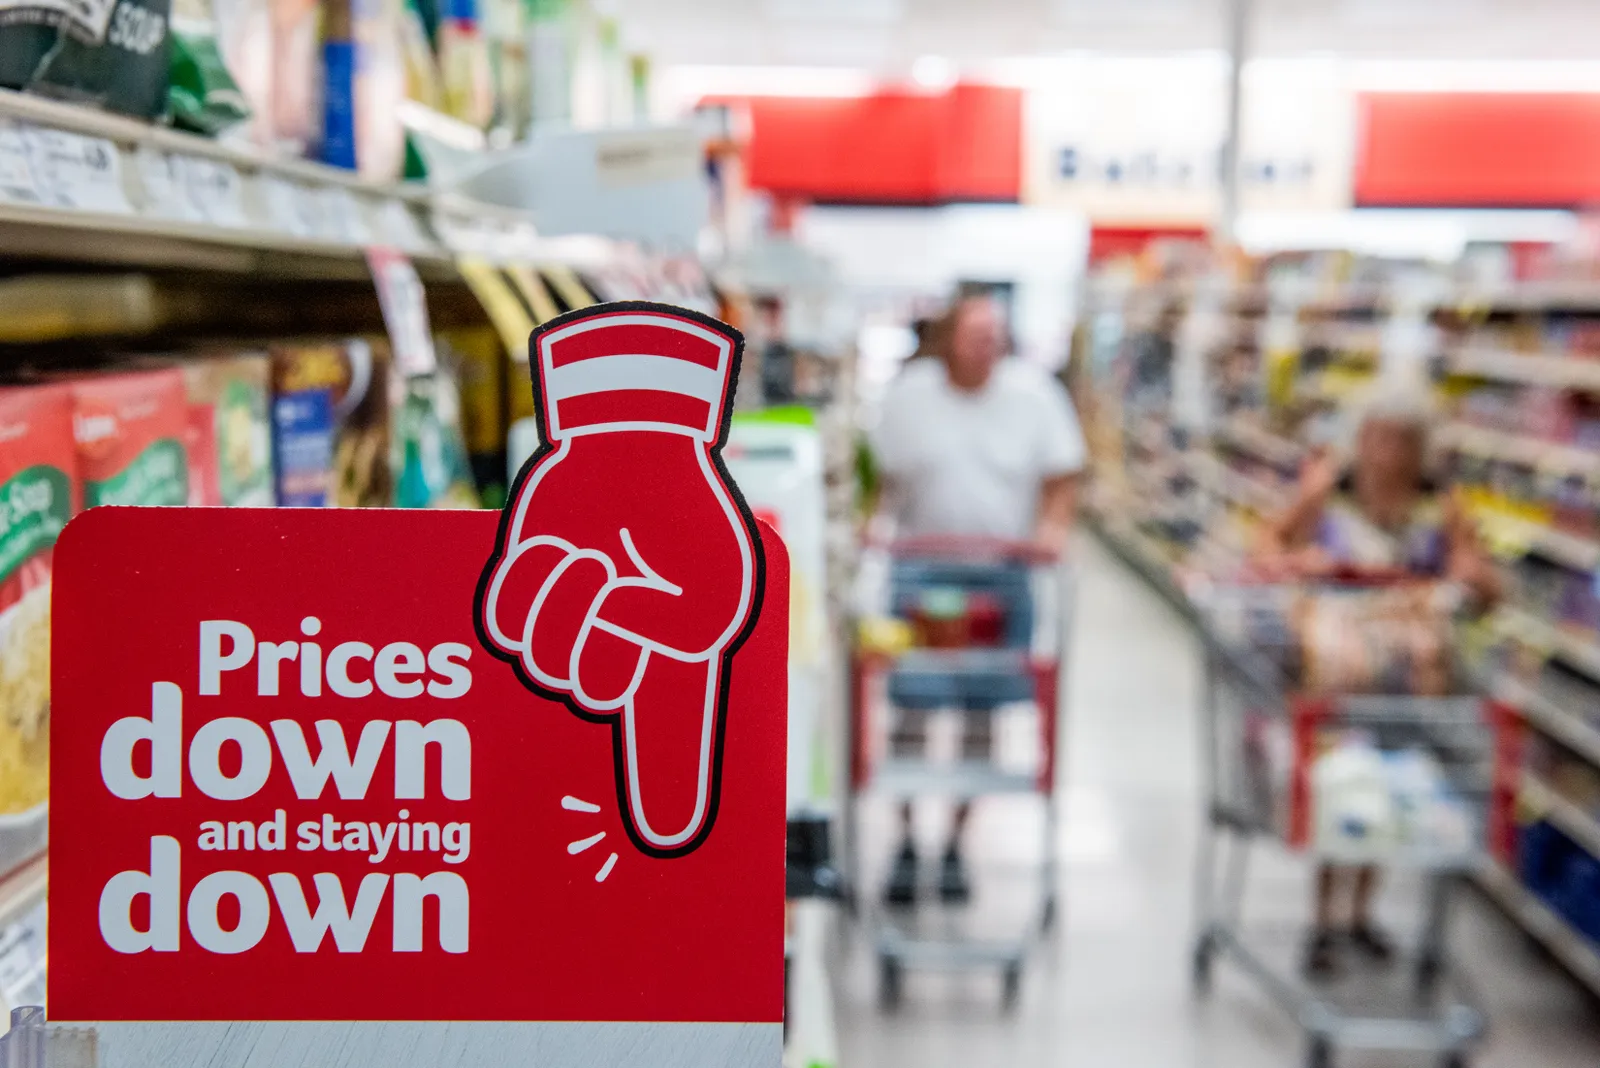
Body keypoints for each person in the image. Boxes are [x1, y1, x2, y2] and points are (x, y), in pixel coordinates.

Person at [1255, 400, 1499, 977]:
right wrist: (1299, 562)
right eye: (1374, 437)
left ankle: (1360, 915)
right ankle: (1323, 920)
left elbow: (1484, 582)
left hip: (1410, 687)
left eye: (1398, 440)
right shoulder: (1328, 490)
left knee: (1385, 801)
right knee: (1336, 794)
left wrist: (1469, 579)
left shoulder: (1442, 505)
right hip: (1335, 681)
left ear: (1420, 450)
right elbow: (1267, 547)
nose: (1384, 452)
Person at [869, 292, 1087, 904]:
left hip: (999, 576)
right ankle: (908, 838)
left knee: (981, 710)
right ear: (948, 339)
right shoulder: (910, 396)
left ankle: (958, 842)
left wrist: (1052, 528)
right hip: (921, 574)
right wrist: (871, 522)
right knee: (912, 706)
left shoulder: (1034, 396)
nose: (987, 344)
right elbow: (881, 476)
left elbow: (1063, 474)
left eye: (995, 334)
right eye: (975, 334)